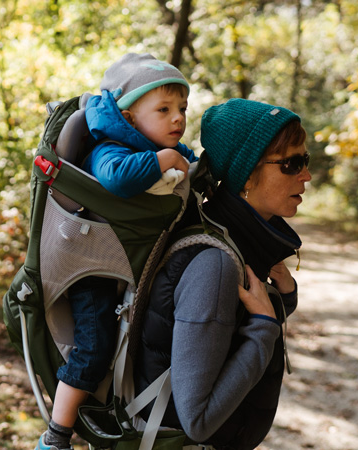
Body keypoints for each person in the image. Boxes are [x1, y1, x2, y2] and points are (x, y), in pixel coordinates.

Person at [36, 53, 197, 450]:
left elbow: (193, 171)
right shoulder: (111, 148)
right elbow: (116, 179)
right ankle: (56, 436)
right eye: (163, 109)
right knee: (94, 348)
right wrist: (164, 159)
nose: (177, 118)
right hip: (89, 269)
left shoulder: (154, 144)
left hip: (122, 266)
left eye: (182, 109)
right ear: (128, 117)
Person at [134, 98, 311, 449]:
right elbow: (197, 421)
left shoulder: (234, 237)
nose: (306, 175)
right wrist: (265, 328)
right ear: (246, 174)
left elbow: (228, 327)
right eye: (291, 164)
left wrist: (281, 297)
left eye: (305, 161)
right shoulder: (214, 265)